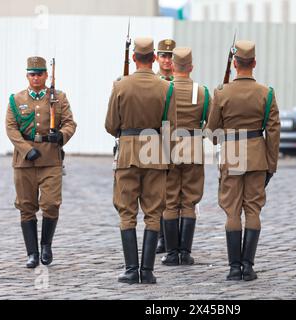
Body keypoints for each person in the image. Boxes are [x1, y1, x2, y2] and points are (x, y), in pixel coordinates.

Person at [206, 40, 280, 281]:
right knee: (253, 210)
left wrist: (221, 142)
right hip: (258, 156)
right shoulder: (266, 93)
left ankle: (233, 268)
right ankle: (248, 267)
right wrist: (271, 164)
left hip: (232, 156)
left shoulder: (221, 92)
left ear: (235, 63)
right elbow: (273, 132)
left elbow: (211, 130)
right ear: (254, 63)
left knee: (232, 212)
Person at [105, 37, 177, 284]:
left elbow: (110, 125)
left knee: (127, 212)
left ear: (134, 58)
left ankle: (130, 269)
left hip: (127, 154)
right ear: (155, 59)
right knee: (153, 212)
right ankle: (147, 271)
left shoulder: (120, 86)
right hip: (155, 153)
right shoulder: (167, 88)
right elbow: (171, 127)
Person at [5, 56, 77, 268]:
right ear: (27, 76)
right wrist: (26, 150)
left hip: (50, 159)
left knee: (51, 204)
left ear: (46, 75)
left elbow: (70, 123)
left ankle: (46, 245)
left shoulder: (58, 97)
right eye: (32, 74)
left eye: (39, 74)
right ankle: (32, 253)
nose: (35, 78)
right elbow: (11, 128)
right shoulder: (16, 100)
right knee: (26, 206)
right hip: (24, 161)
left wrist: (61, 136)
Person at [161, 47, 211, 266]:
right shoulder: (202, 91)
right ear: (191, 67)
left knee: (170, 200)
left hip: (167, 146)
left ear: (172, 66)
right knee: (189, 201)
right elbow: (211, 122)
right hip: (193, 146)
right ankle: (185, 253)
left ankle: (172, 254)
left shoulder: (163, 88)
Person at [155, 38, 176, 253]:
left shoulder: (183, 82)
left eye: (170, 56)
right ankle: (161, 237)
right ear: (156, 58)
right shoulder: (152, 82)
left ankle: (176, 239)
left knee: (179, 193)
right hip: (155, 140)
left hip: (178, 141)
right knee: (158, 192)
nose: (167, 60)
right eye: (163, 55)